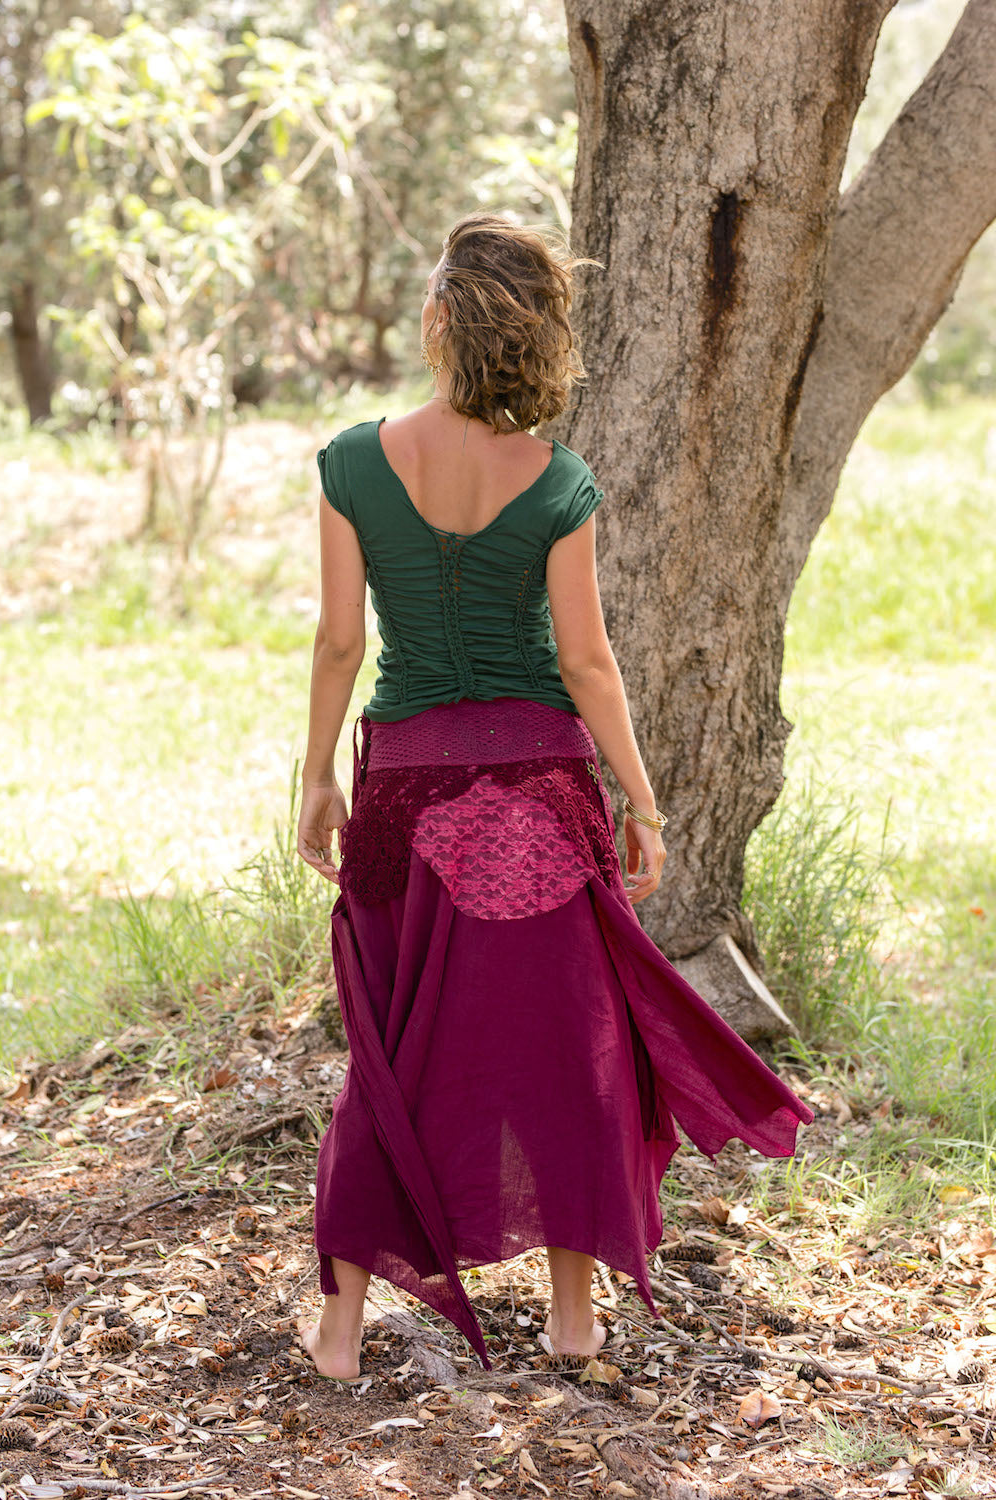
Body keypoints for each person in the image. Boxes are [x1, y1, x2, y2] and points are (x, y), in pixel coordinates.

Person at [296, 211, 814, 1382]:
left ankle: (338, 1332)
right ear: (529, 339)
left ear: (437, 324)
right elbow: (585, 665)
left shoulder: (350, 462)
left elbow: (339, 642)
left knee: (395, 1046)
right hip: (540, 794)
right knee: (565, 1050)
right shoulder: (556, 479)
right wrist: (641, 801)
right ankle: (576, 1323)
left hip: (406, 796)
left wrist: (318, 774)